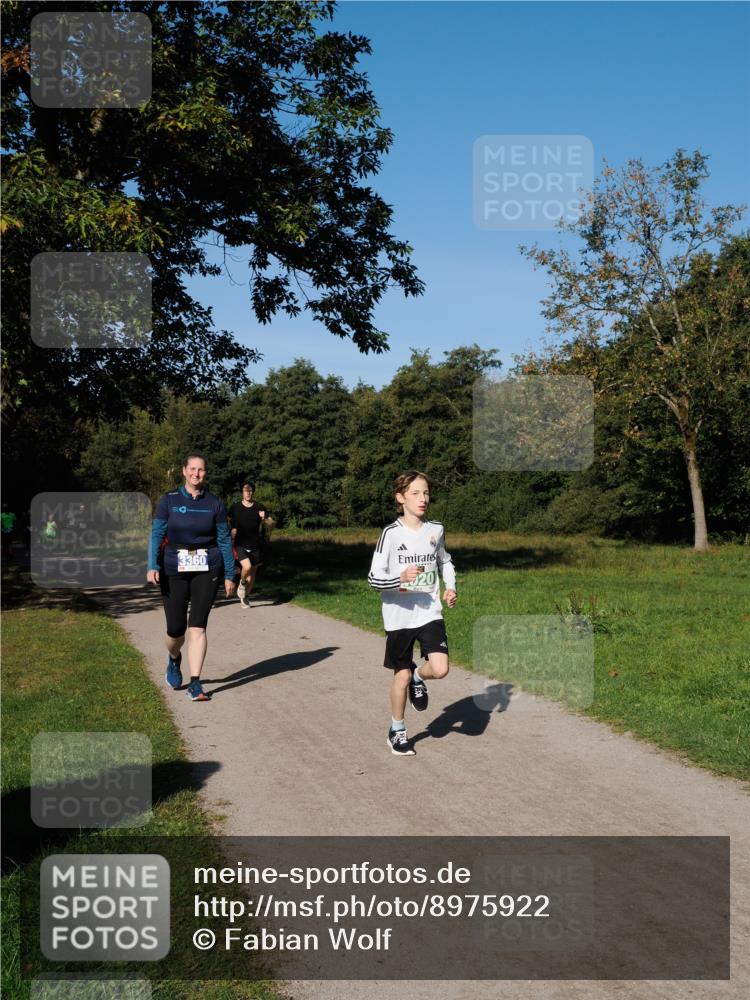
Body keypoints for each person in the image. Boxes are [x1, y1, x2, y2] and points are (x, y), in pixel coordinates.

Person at [368, 470, 457, 756]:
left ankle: (421, 675)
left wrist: (450, 586)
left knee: (440, 669)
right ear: (400, 498)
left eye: (426, 492)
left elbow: (445, 561)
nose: (423, 499)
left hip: (429, 610)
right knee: (400, 676)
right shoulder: (390, 535)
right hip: (399, 616)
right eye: (416, 493)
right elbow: (373, 578)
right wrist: (400, 578)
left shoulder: (436, 529)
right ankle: (397, 729)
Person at [147, 454, 235, 701]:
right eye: (192, 469)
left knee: (198, 626)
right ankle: (174, 658)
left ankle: (196, 683)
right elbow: (157, 533)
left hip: (207, 567)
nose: (197, 473)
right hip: (174, 567)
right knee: (176, 630)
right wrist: (152, 564)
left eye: (201, 470)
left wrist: (230, 573)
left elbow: (224, 539)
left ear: (206, 473)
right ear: (184, 471)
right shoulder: (169, 500)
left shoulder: (215, 503)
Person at [228, 481, 274, 609]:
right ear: (242, 492)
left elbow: (271, 525)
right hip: (240, 543)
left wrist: (265, 519)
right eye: (245, 490)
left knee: (252, 573)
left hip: (255, 544)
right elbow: (227, 520)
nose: (248, 492)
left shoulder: (259, 507)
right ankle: (242, 583)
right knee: (246, 567)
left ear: (252, 492)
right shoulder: (235, 507)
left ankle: (245, 596)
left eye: (250, 490)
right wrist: (231, 530)